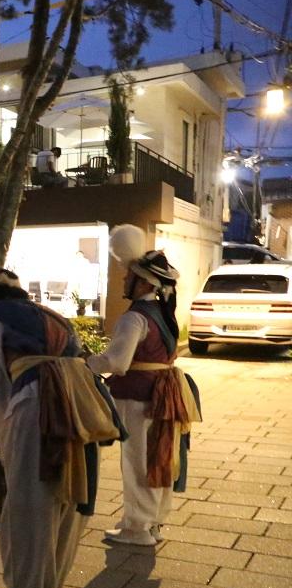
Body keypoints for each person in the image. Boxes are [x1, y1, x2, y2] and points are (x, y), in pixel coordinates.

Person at [0, 268, 123, 588]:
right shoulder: (56, 317)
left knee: (27, 503)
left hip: (33, 404)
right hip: (80, 404)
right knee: (69, 497)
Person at [89, 224, 200, 546]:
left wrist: (86, 363)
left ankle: (136, 528)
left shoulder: (134, 317)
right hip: (165, 393)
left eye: (127, 275)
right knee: (161, 458)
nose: (123, 279)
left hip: (137, 397)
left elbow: (116, 362)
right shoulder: (163, 313)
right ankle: (152, 522)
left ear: (142, 282)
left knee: (137, 462)